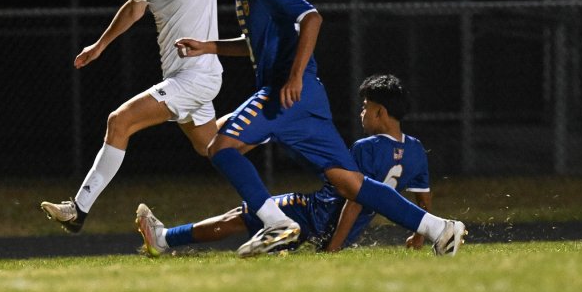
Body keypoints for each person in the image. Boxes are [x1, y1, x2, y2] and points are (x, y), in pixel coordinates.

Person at [170, 0, 466, 257]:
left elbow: (311, 17)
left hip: (285, 93)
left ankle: (276, 223)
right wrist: (208, 47)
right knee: (350, 183)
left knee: (219, 146)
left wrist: (293, 77)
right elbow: (256, 44)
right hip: (306, 97)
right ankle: (440, 228)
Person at [40, 0, 231, 232]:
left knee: (120, 121)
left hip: (197, 77)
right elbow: (134, 8)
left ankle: (78, 209)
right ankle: (272, 118)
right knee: (210, 145)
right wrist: (100, 46)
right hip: (180, 76)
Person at [136, 74, 433, 256]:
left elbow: (354, 199)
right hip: (336, 229)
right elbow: (423, 198)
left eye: (365, 107)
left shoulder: (367, 147)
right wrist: (419, 235)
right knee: (248, 222)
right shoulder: (417, 150)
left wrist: (333, 248)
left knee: (239, 216)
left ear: (380, 111)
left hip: (314, 214)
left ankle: (164, 239)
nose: (362, 113)